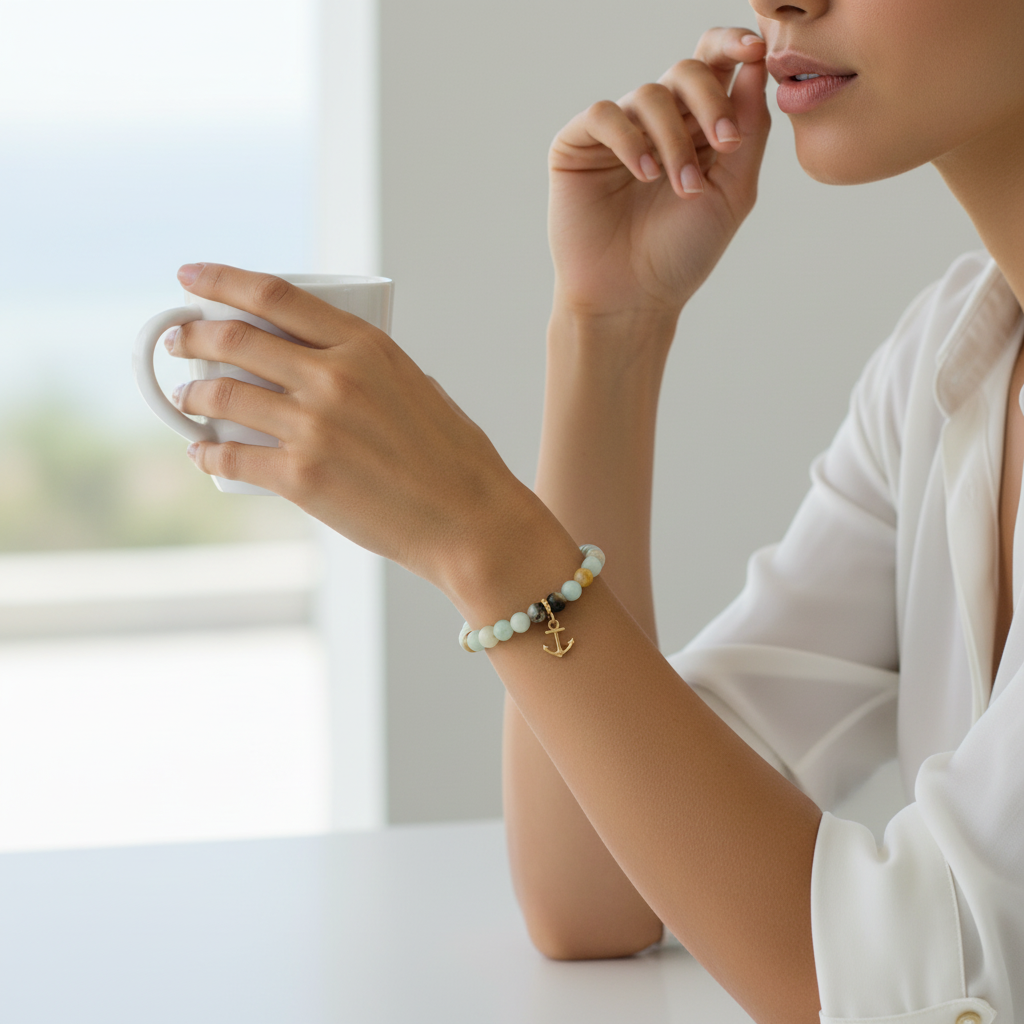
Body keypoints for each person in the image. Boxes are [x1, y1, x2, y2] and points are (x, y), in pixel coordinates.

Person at [160, 0, 1024, 1019]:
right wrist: (609, 327)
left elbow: (899, 990)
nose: (780, 2)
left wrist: (482, 536)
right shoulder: (954, 357)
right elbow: (595, 888)